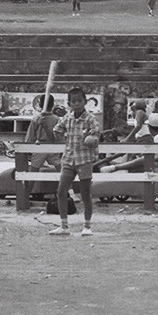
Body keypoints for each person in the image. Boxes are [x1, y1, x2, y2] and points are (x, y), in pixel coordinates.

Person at [49, 87, 102, 237]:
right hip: (68, 158)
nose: (77, 104)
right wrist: (45, 122)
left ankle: (87, 225)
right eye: (74, 101)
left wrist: (92, 138)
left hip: (84, 159)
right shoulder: (67, 118)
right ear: (69, 104)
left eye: (79, 101)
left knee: (85, 193)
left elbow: (96, 134)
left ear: (85, 102)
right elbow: (56, 133)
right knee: (61, 191)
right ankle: (64, 225)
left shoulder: (91, 119)